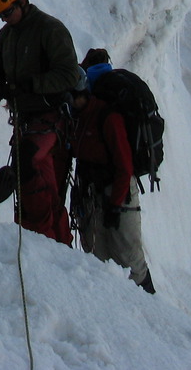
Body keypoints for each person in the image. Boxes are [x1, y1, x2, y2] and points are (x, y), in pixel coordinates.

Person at [0, 0, 81, 244]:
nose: (5, 19)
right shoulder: (7, 36)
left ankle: (45, 242)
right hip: (27, 123)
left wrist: (30, 85)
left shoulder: (50, 30)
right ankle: (52, 244)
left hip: (52, 120)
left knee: (34, 175)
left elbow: (69, 74)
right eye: (0, 15)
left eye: (8, 12)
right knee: (34, 183)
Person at [72, 49, 155, 293]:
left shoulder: (108, 118)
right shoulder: (83, 116)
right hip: (96, 194)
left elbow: (124, 166)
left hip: (115, 194)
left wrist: (115, 205)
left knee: (130, 260)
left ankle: (154, 314)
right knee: (101, 259)